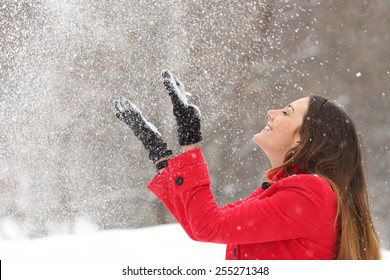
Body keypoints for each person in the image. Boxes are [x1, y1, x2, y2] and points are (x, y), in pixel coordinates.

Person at [114, 70, 381, 260]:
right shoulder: (290, 192)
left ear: (303, 141)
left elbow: (209, 226)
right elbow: (202, 223)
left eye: (286, 112)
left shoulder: (311, 195)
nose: (271, 112)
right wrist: (162, 157)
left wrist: (190, 142)